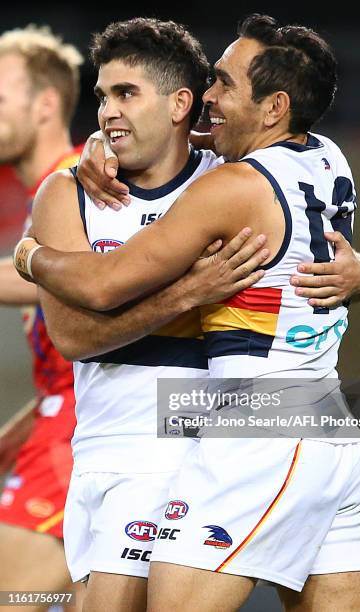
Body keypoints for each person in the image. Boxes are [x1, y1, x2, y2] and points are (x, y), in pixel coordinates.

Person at [15, 15, 360, 612]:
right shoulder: (323, 155)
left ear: (273, 107)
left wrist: (29, 256)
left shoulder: (227, 183)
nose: (212, 98)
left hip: (238, 422)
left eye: (224, 85)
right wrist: (359, 272)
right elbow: (73, 337)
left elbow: (103, 287)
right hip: (313, 412)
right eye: (103, 95)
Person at [0, 25, 84, 609]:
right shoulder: (46, 197)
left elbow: (86, 278)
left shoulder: (84, 178)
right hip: (61, 426)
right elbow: (73, 363)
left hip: (83, 438)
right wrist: (18, 431)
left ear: (46, 103)